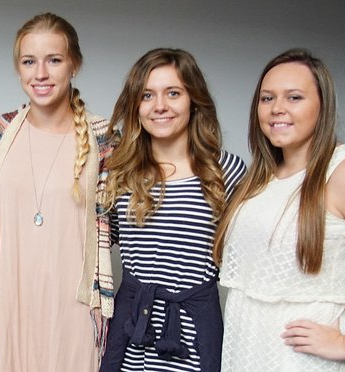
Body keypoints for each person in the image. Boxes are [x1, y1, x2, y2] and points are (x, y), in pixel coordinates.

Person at [214, 48, 345, 371]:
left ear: (323, 106)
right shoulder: (261, 177)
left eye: (294, 97)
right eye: (267, 99)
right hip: (249, 353)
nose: (277, 108)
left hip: (304, 361)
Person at [0, 12, 115, 372]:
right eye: (29, 62)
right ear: (18, 68)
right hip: (11, 303)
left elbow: (119, 224)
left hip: (74, 308)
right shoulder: (0, 131)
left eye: (54, 60)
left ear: (75, 65)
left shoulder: (103, 138)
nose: (40, 74)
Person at [99, 48, 246, 372]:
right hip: (133, 328)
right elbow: (91, 247)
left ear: (194, 100)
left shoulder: (226, 171)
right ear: (135, 105)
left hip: (194, 331)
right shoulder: (119, 171)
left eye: (173, 93)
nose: (160, 106)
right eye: (147, 95)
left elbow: (254, 256)